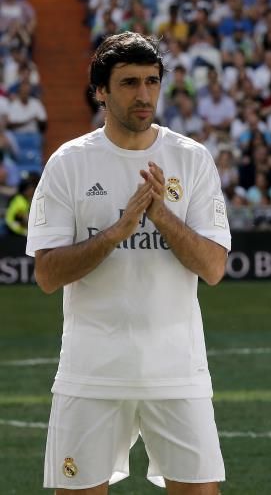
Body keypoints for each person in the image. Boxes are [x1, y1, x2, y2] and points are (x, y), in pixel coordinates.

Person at [26, 32, 229, 494]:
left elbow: (213, 268)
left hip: (177, 370)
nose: (143, 95)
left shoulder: (191, 159)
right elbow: (47, 274)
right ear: (100, 91)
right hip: (92, 370)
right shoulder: (69, 163)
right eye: (129, 83)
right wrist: (117, 231)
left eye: (152, 82)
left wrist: (161, 216)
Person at [4, 171, 36, 236]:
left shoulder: (25, 199)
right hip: (13, 231)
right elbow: (20, 220)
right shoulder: (20, 201)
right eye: (29, 189)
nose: (32, 191)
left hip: (19, 230)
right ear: (24, 190)